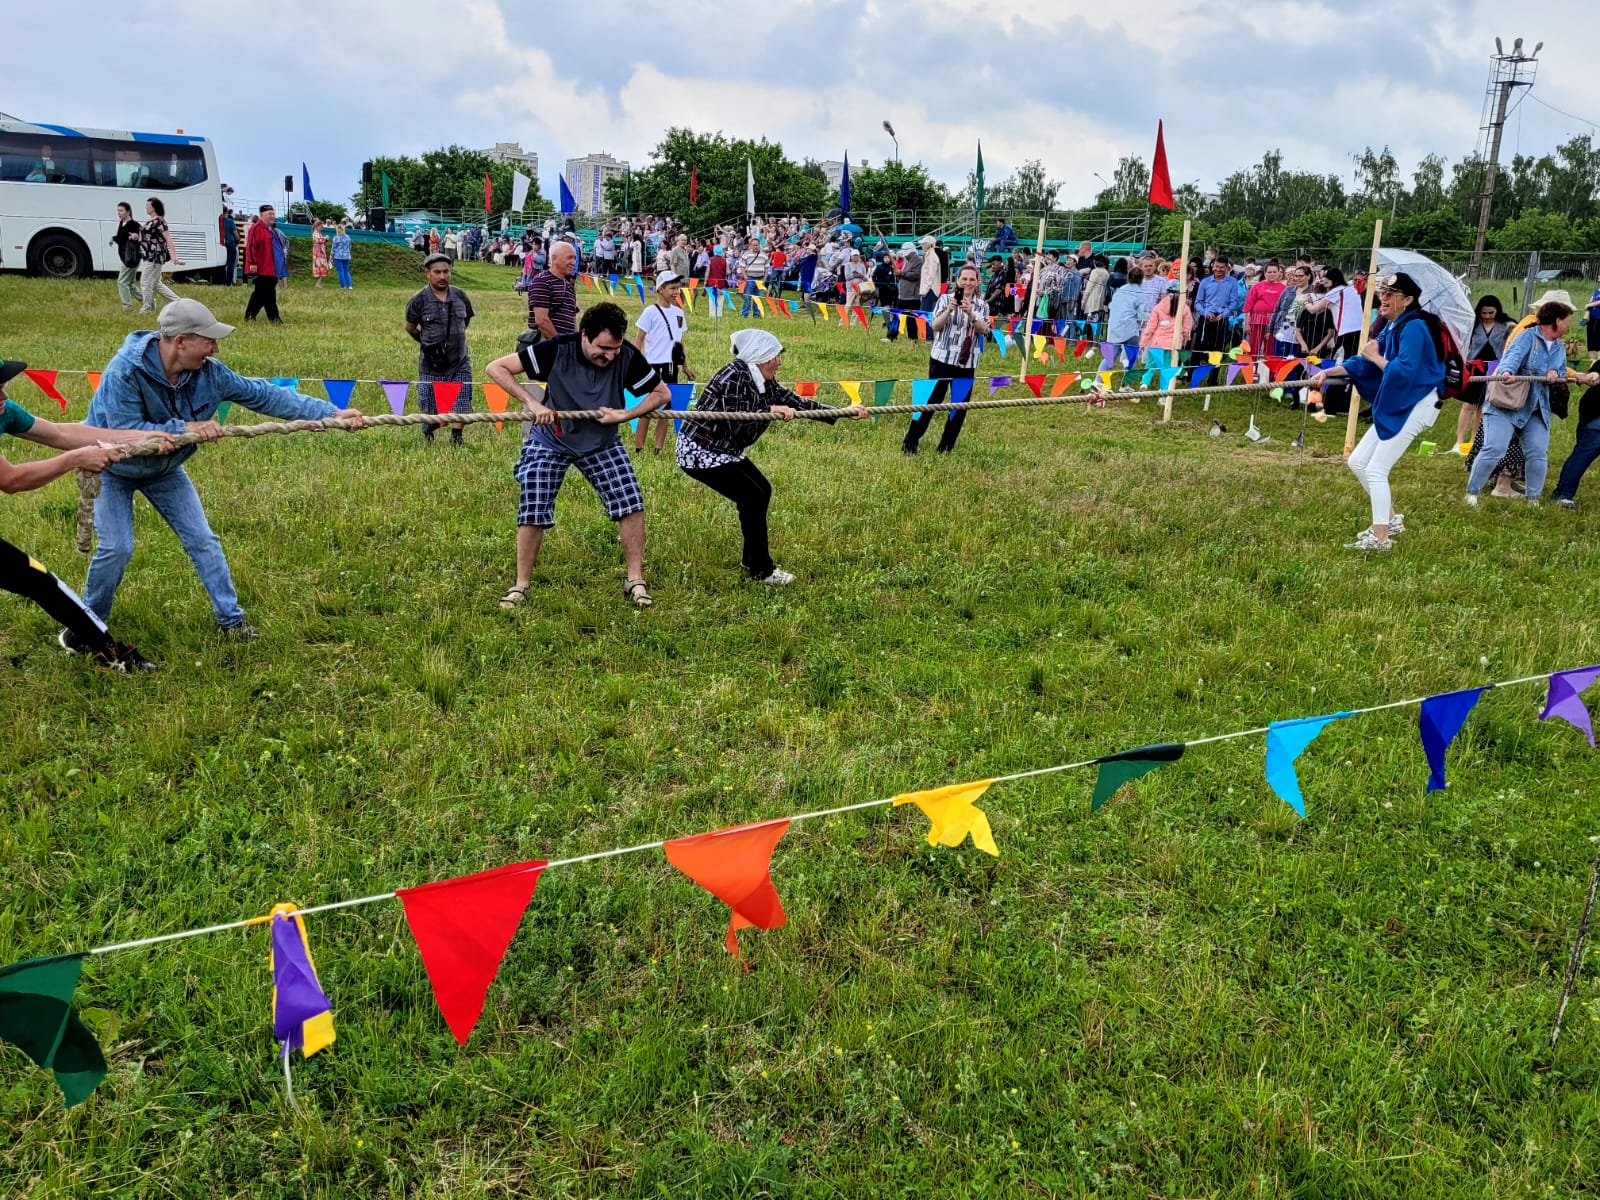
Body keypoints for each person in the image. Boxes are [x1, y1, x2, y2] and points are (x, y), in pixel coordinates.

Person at [83, 300, 364, 637]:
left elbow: (265, 395)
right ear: (181, 341)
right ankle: (88, 625)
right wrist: (185, 428)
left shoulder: (211, 373)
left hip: (165, 470)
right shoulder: (123, 373)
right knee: (117, 548)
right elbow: (123, 430)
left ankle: (231, 622)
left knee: (204, 540)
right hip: (113, 468)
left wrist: (330, 413)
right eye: (209, 341)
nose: (215, 349)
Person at [486, 303, 671, 612]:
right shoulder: (558, 349)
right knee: (533, 504)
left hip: (602, 442)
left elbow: (661, 394)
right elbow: (496, 368)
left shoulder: (626, 354)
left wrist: (625, 415)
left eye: (613, 349)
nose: (609, 355)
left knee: (631, 503)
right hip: (551, 439)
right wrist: (532, 403)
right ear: (584, 335)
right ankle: (521, 585)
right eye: (602, 348)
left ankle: (635, 580)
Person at [0, 359, 171, 671]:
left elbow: (60, 434)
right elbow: (11, 480)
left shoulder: (4, 411)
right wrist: (75, 459)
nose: (3, 396)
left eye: (2, 386)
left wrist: (145, 437)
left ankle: (112, 654)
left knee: (39, 580)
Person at [676, 329, 867, 586]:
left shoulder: (763, 379)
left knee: (761, 490)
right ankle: (762, 570)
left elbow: (796, 401)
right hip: (700, 450)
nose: (779, 362)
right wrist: (769, 410)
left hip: (725, 450)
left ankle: (750, 559)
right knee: (752, 495)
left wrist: (843, 412)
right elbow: (735, 420)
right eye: (776, 356)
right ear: (760, 356)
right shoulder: (734, 375)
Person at [1310, 272, 1444, 551]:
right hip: (1399, 401)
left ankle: (1381, 538)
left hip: (1417, 402)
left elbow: (1404, 372)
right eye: (1382, 293)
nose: (1382, 299)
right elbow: (1364, 364)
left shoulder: (1415, 328)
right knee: (1357, 461)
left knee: (1376, 469)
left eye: (1390, 295)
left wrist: (1375, 356)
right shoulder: (1394, 326)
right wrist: (1329, 372)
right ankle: (1391, 520)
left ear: (1407, 300)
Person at [1468, 297, 1592, 507]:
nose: (1569, 325)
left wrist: (1555, 372)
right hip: (1506, 403)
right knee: (1495, 448)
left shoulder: (1560, 346)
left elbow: (1561, 370)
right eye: (1567, 320)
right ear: (1556, 321)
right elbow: (1511, 358)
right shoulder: (1527, 337)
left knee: (1537, 452)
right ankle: (1472, 494)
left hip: (1536, 406)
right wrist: (1507, 372)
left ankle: (1533, 499)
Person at [903, 263, 990, 455]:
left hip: (966, 363)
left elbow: (985, 330)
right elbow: (935, 326)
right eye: (964, 279)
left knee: (959, 407)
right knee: (930, 402)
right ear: (957, 281)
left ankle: (946, 448)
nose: (967, 283)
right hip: (942, 360)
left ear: (977, 283)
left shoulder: (982, 305)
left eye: (972, 280)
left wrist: (971, 313)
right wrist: (950, 310)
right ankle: (910, 443)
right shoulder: (945, 299)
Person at [406, 254, 475, 446]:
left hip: (460, 361)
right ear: (427, 274)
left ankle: (456, 438)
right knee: (431, 408)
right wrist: (427, 343)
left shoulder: (460, 295)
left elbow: (466, 320)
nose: (442, 276)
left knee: (461, 401)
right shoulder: (418, 300)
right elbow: (410, 328)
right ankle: (428, 433)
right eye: (437, 272)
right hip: (431, 365)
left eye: (446, 271)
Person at [632, 271, 694, 455]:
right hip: (652, 366)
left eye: (678, 288)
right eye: (672, 288)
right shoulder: (650, 312)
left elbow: (678, 343)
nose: (676, 292)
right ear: (661, 289)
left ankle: (658, 448)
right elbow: (639, 339)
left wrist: (685, 366)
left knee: (667, 410)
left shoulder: (679, 313)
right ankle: (639, 448)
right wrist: (636, 364)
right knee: (646, 409)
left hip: (671, 366)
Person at [1458, 294, 1512, 454]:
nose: (1487, 316)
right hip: (1474, 367)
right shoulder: (1473, 326)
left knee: (1483, 406)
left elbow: (1513, 340)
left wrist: (1512, 327)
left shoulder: (1505, 326)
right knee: (1468, 405)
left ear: (1497, 311)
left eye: (1491, 313)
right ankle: (1459, 441)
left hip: (1494, 368)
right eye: (1484, 313)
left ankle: (1474, 440)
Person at [1553, 359, 1600, 509]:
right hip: (1596, 413)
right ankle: (1563, 495)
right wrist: (1595, 374)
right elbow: (1598, 369)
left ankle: (1564, 494)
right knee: (1584, 453)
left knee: (1582, 452)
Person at [1100, 265, 1150, 373]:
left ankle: (1098, 380)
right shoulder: (1140, 293)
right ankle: (1125, 384)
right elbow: (1142, 314)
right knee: (1131, 356)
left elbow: (1111, 306)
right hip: (1129, 329)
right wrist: (1150, 316)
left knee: (1110, 356)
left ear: (1128, 277)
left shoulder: (1120, 290)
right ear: (1142, 279)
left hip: (1114, 326)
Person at [137, 197, 183, 314]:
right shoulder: (152, 221)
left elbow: (168, 239)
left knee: (145, 281)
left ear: (154, 207)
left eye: (148, 205)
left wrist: (174, 256)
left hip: (154, 256)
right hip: (150, 255)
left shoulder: (159, 221)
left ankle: (147, 308)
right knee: (156, 283)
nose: (146, 207)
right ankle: (178, 302)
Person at [527, 241, 579, 341]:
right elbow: (541, 320)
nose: (573, 262)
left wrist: (574, 345)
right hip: (546, 344)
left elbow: (572, 319)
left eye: (574, 258)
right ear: (554, 259)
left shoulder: (569, 286)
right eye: (569, 258)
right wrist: (559, 344)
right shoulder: (542, 281)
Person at [1190, 255, 1239, 358]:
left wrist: (1223, 315)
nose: (1218, 269)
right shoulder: (1205, 282)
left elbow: (1234, 302)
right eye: (1216, 266)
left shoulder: (1232, 282)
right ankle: (1193, 373)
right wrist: (1205, 312)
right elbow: (1198, 302)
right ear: (1212, 267)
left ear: (1226, 268)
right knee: (1198, 349)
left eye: (1222, 267)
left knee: (1217, 350)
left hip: (1222, 318)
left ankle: (1214, 373)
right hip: (1206, 317)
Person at [243, 204, 283, 323]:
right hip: (261, 267)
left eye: (273, 214)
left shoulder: (272, 230)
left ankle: (252, 316)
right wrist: (253, 263)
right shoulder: (256, 228)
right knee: (265, 294)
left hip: (271, 268)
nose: (273, 216)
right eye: (270, 214)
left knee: (263, 294)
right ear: (262, 215)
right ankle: (273, 319)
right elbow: (250, 246)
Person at [111, 201, 141, 312]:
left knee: (122, 282)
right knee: (131, 284)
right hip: (124, 257)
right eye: (118, 211)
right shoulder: (121, 223)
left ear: (128, 211)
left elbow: (142, 235)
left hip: (131, 258)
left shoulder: (133, 224)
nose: (119, 213)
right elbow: (120, 239)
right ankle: (149, 302)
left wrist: (136, 236)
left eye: (121, 211)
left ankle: (127, 307)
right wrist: (113, 239)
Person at [917, 234, 943, 326]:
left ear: (928, 244)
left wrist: (925, 290)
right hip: (929, 290)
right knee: (925, 313)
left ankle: (929, 336)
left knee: (927, 314)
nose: (921, 245)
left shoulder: (932, 257)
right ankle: (928, 335)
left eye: (923, 243)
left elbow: (930, 276)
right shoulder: (929, 256)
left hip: (930, 290)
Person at [737, 241, 769, 318]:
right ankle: (744, 314)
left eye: (757, 245)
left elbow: (766, 268)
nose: (755, 247)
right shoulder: (746, 254)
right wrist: (745, 276)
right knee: (747, 297)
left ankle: (756, 314)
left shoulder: (764, 255)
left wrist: (764, 279)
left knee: (757, 298)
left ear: (759, 245)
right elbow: (742, 266)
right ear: (751, 246)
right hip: (750, 278)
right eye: (754, 245)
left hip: (760, 279)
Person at [219, 207, 238, 286]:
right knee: (231, 263)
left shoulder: (218, 221)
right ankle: (228, 282)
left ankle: (221, 281)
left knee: (222, 263)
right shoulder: (230, 221)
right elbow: (236, 235)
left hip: (221, 243)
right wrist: (237, 241)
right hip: (230, 243)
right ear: (226, 212)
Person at [331, 220, 353, 289]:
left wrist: (331, 255)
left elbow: (333, 248)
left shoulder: (336, 238)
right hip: (346, 256)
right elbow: (350, 247)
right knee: (346, 271)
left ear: (337, 230)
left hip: (338, 256)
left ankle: (343, 286)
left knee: (341, 271)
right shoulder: (348, 237)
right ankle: (349, 285)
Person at [311, 219, 330, 287]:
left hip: (321, 252)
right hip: (318, 253)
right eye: (321, 226)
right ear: (317, 226)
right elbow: (318, 240)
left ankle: (320, 284)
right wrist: (325, 238)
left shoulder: (319, 233)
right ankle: (318, 284)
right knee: (321, 267)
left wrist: (325, 240)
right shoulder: (315, 233)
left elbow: (322, 241)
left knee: (323, 267)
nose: (322, 228)